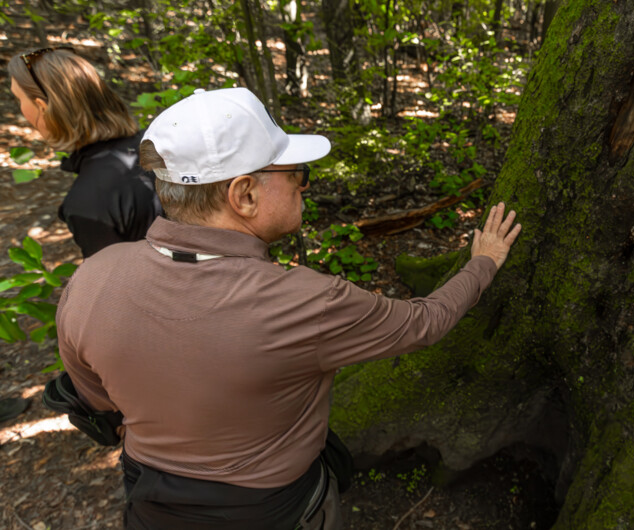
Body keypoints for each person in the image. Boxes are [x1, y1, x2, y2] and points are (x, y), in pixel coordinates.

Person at [55, 87, 521, 529]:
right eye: (295, 174)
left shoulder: (92, 277)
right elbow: (424, 323)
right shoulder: (306, 302)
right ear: (244, 195)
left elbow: (98, 399)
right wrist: (483, 262)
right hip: (276, 511)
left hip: (150, 504)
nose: (304, 186)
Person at [8, 47, 163, 258]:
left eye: (19, 99)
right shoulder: (160, 141)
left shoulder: (86, 204)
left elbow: (112, 284)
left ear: (41, 107)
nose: (20, 108)